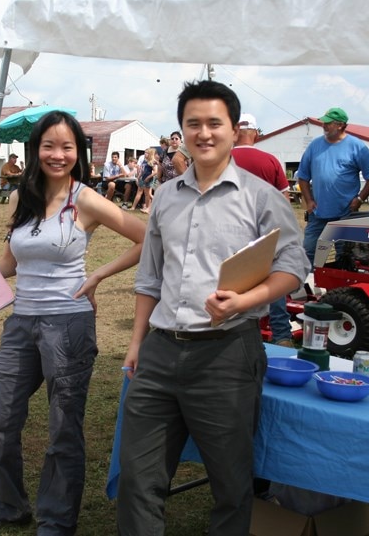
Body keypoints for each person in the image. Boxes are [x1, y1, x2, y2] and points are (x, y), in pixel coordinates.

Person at [0, 111, 145, 535]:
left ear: (78, 152)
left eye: (67, 147)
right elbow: (8, 263)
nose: (57, 154)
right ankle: (10, 505)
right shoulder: (19, 198)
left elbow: (146, 238)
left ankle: (57, 519)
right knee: (0, 416)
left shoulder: (84, 199)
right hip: (21, 323)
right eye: (49, 145)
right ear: (35, 149)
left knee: (64, 424)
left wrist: (97, 275)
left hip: (69, 326)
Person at [117, 80, 310, 536]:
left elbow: (293, 267)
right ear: (181, 131)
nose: (204, 133)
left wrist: (246, 300)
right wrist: (136, 342)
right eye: (193, 124)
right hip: (161, 352)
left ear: (234, 129)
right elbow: (149, 276)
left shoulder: (262, 197)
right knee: (138, 479)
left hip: (227, 354)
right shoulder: (164, 195)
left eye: (214, 123)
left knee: (230, 483)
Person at [232, 113, 294, 347]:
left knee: (232, 281)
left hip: (230, 230)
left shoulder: (220, 159)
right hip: (265, 231)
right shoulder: (271, 161)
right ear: (256, 133)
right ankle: (282, 335)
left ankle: (234, 331)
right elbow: (284, 202)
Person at [296, 107, 369, 265]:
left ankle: (339, 287)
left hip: (345, 212)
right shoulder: (315, 146)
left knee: (344, 254)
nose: (324, 125)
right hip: (318, 212)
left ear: (341, 125)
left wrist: (360, 199)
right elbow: (303, 177)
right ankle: (306, 284)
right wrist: (308, 200)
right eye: (324, 123)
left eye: (328, 123)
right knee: (308, 250)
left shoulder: (356, 146)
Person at [130, 147, 158, 213]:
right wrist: (139, 177)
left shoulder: (152, 162)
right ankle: (147, 208)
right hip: (143, 179)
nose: (145, 154)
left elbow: (155, 171)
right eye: (145, 153)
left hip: (149, 179)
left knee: (148, 194)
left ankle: (152, 206)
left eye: (147, 153)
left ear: (150, 154)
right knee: (146, 194)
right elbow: (143, 170)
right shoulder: (145, 161)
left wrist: (148, 177)